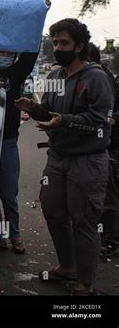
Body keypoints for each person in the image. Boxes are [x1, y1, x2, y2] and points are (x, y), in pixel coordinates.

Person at [15, 18, 114, 295]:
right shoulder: (56, 77)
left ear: (79, 46)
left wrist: (65, 121)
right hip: (58, 158)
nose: (58, 47)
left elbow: (100, 120)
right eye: (56, 42)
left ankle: (85, 281)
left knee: (83, 219)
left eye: (64, 43)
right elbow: (48, 112)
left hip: (88, 160)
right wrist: (33, 108)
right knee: (53, 211)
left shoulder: (97, 78)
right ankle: (67, 265)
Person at [88, 43, 119, 258]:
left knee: (108, 195)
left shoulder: (102, 80)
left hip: (109, 146)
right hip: (104, 145)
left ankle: (109, 240)